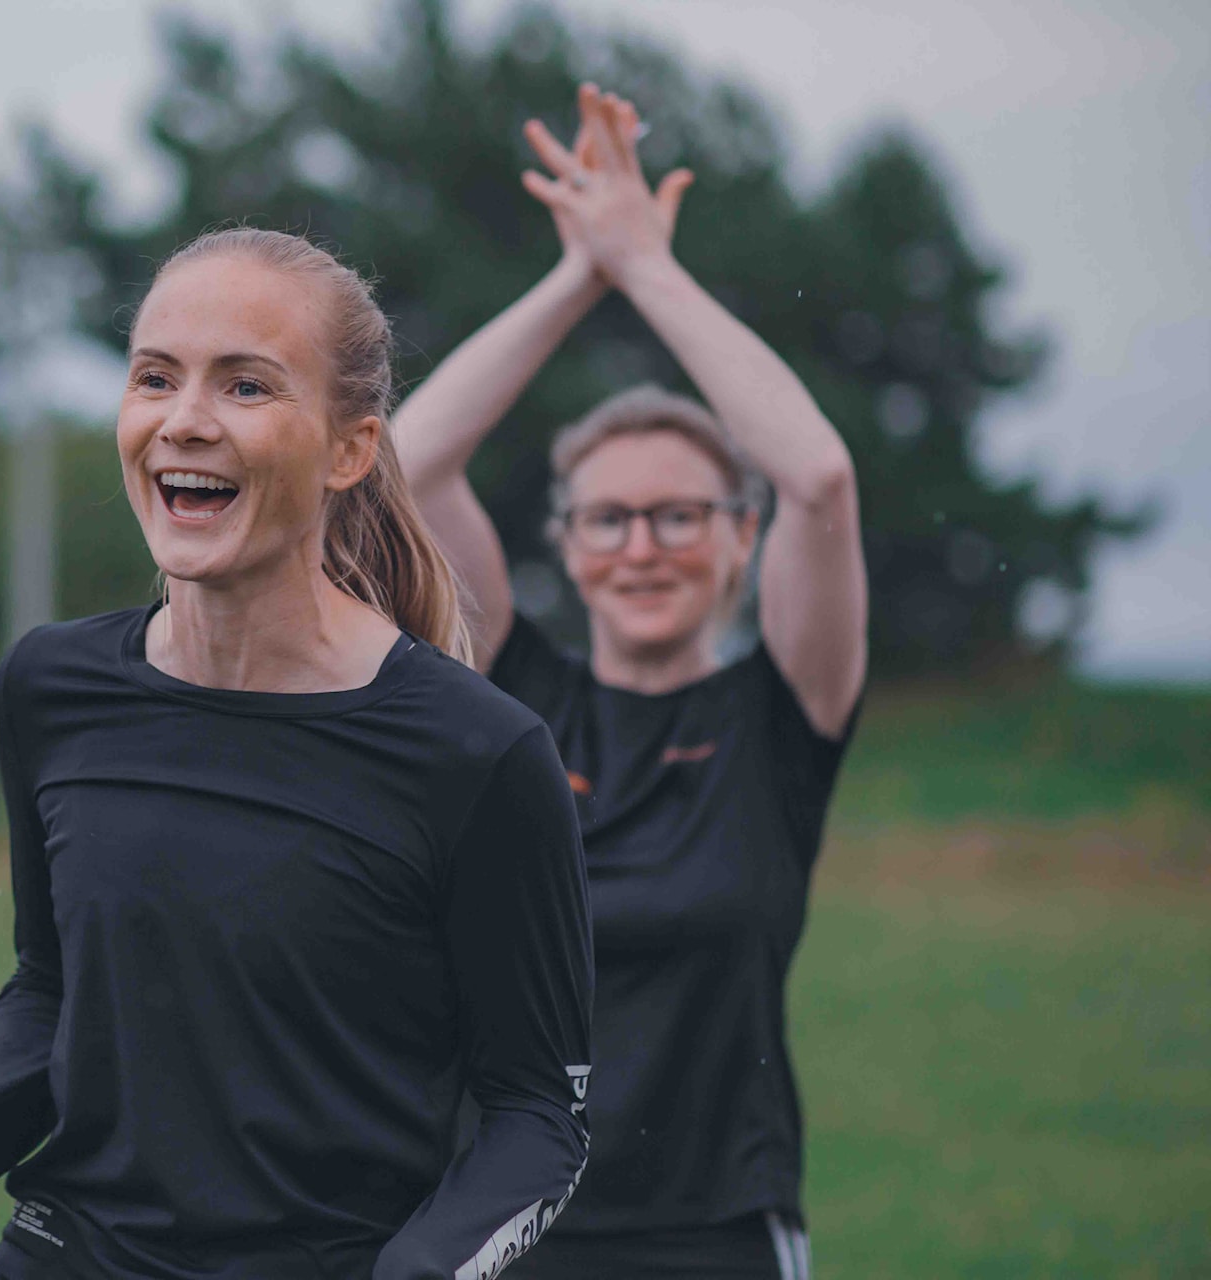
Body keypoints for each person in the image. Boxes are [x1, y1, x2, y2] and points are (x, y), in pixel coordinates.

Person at [0, 228, 595, 1280]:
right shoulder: (51, 685)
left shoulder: (478, 752)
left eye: (246, 385)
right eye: (155, 377)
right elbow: (53, 980)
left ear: (348, 450)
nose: (185, 420)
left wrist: (423, 1268)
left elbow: (539, 1113)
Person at [395, 85, 868, 1278]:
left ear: (741, 536)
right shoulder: (511, 697)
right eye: (607, 517)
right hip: (498, 1224)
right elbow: (401, 467)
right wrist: (579, 274)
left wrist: (647, 266)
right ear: (564, 544)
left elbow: (818, 475)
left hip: (718, 1230)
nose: (642, 546)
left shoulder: (783, 712)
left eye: (679, 514)